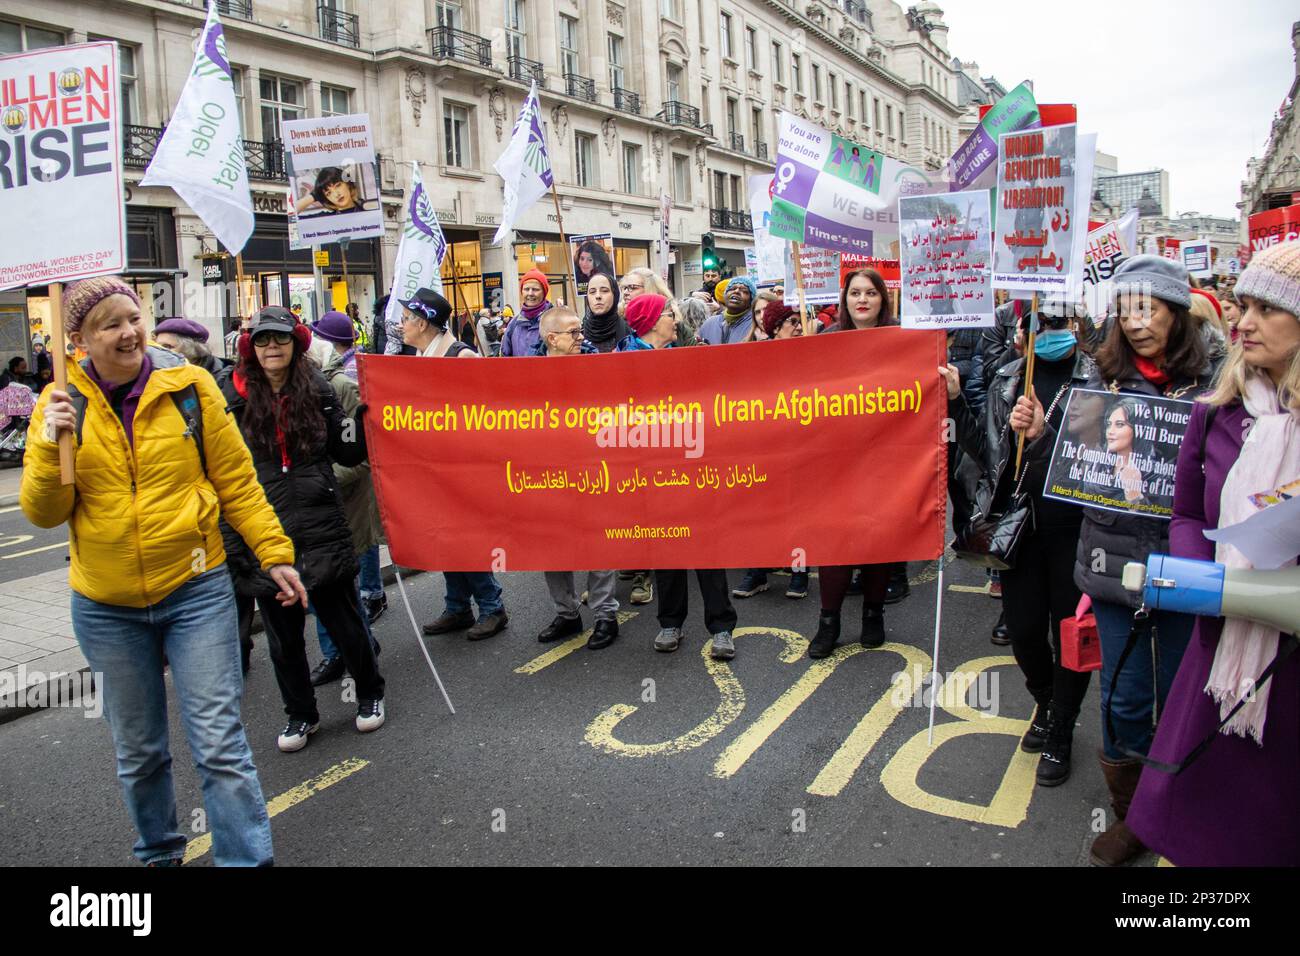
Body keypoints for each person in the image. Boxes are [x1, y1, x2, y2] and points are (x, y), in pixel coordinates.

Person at [21, 276, 306, 866]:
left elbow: (237, 482)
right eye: (110, 324)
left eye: (133, 317)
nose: (128, 332)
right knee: (140, 752)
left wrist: (275, 554)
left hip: (196, 590)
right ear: (78, 340)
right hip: (105, 606)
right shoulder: (57, 403)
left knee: (219, 744)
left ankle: (245, 860)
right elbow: (44, 513)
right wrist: (53, 445)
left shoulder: (190, 387)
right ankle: (158, 855)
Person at [1125, 239, 1300, 867]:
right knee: (1203, 826)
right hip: (1222, 641)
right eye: (1242, 305)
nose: (1243, 323)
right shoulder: (1218, 410)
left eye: (1266, 310)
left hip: (1292, 663)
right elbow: (1191, 511)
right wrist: (1203, 579)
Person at [1069, 255, 1219, 864]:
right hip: (1112, 559)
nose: (1133, 323)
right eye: (1124, 309)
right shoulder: (1099, 375)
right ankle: (1133, 815)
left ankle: (1186, 805)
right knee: (1123, 695)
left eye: (1147, 308)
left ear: (1176, 312)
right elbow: (1071, 460)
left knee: (1188, 691)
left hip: (1192, 564)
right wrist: (1038, 428)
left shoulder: (1219, 382)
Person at [216, 307, 385, 752]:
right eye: (264, 340)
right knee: (282, 636)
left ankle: (369, 693)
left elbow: (346, 455)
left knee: (345, 621)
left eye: (281, 340)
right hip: (264, 529)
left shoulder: (318, 390)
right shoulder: (229, 398)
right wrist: (233, 539)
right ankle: (300, 714)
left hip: (320, 524)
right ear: (252, 347)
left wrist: (360, 424)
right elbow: (218, 472)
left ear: (296, 345)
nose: (272, 348)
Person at [942, 303, 1095, 785]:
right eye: (1042, 323)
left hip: (1075, 529)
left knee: (1069, 634)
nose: (1052, 331)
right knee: (1026, 632)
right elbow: (985, 448)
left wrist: (1045, 434)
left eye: (1062, 322)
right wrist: (954, 403)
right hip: (1019, 528)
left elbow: (1098, 466)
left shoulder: (1098, 380)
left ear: (1078, 326)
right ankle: (1046, 703)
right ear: (1022, 334)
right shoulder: (1008, 378)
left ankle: (1062, 730)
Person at [619, 294, 739, 659]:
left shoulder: (690, 357)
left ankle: (721, 627)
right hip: (651, 470)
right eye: (670, 313)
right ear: (653, 321)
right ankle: (670, 622)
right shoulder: (621, 365)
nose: (677, 319)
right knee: (666, 548)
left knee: (706, 547)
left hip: (694, 466)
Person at [804, 270, 904, 657]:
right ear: (845, 299)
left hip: (888, 456)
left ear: (882, 299)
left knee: (878, 539)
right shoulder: (827, 341)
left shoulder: (901, 342)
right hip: (837, 460)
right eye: (855, 293)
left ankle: (873, 615)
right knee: (836, 541)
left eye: (870, 293)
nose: (862, 300)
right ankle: (828, 621)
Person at [403, 288, 510, 638]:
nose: (401, 326)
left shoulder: (461, 357)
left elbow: (486, 413)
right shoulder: (422, 356)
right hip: (434, 465)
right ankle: (457, 606)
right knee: (446, 536)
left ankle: (492, 606)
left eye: (406, 319)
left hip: (463, 467)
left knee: (466, 536)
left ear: (422, 322)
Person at [306, 311, 387, 686]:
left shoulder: (340, 388)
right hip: (309, 507)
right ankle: (339, 651)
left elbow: (360, 453)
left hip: (343, 497)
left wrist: (323, 479)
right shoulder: (293, 390)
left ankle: (357, 652)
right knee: (320, 582)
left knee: (341, 580)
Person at [532, 306, 619, 649]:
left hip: (593, 471)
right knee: (553, 546)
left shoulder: (598, 369)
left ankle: (605, 616)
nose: (581, 338)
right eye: (573, 333)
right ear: (552, 339)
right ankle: (567, 613)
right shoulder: (526, 375)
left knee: (599, 542)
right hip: (548, 475)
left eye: (580, 331)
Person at [153, 317, 230, 378]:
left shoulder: (223, 379)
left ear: (192, 350)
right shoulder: (158, 374)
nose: (160, 352)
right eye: (157, 347)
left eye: (167, 347)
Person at [501, 270, 552, 357]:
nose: (530, 293)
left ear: (544, 292)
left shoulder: (555, 320)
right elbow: (504, 357)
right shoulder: (514, 324)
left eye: (535, 289)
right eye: (526, 289)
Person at [699, 274, 757, 344]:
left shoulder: (755, 324)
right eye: (731, 289)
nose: (736, 291)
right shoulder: (709, 324)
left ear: (751, 301)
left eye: (744, 291)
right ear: (724, 296)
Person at [295, 166, 373, 215]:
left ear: (347, 184)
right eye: (329, 193)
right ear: (327, 199)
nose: (336, 194)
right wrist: (314, 195)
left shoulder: (366, 207)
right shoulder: (325, 218)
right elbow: (293, 213)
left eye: (338, 186)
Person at [581, 271, 626, 353]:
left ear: (615, 295)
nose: (598, 296)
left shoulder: (628, 333)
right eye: (592, 292)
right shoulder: (578, 334)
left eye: (604, 291)